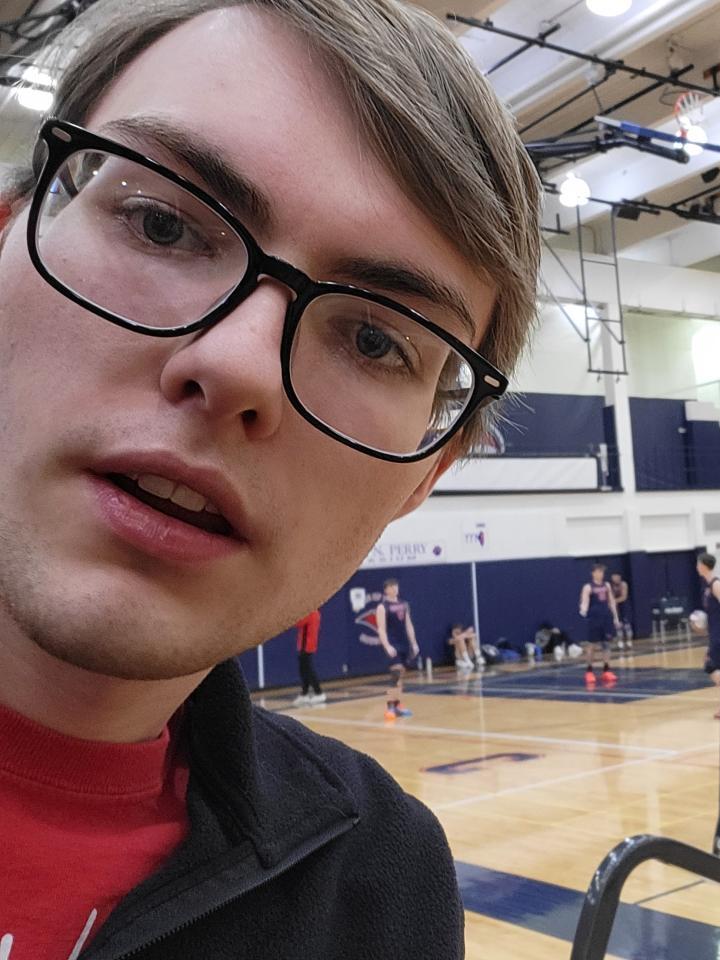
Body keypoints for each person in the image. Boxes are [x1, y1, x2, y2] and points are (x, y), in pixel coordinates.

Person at [0, 0, 540, 953]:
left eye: (373, 340)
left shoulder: (381, 892)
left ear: (425, 476)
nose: (240, 364)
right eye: (162, 224)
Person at [377, 579, 420, 719]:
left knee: (400, 675)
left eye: (395, 586)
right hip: (392, 643)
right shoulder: (382, 607)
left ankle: (397, 705)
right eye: (391, 587)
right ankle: (390, 707)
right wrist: (387, 646)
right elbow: (381, 629)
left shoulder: (404, 604)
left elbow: (409, 625)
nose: (394, 588)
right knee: (395, 673)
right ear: (386, 590)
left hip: (404, 643)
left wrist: (414, 643)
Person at [579, 563, 620, 687]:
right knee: (591, 645)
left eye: (602, 572)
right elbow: (584, 602)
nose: (601, 574)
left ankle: (606, 670)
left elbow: (611, 602)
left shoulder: (607, 585)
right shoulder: (588, 587)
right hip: (594, 619)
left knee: (606, 644)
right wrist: (583, 610)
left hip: (606, 618)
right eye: (598, 571)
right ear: (593, 573)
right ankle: (589, 671)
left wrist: (615, 618)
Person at [698, 552, 720, 686]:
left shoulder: (716, 584)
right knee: (712, 666)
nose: (697, 567)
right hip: (713, 632)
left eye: (698, 564)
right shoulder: (707, 586)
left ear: (703, 565)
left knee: (711, 666)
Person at [294, 609, 324, 705]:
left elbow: (298, 623)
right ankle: (305, 693)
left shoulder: (310, 613)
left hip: (306, 645)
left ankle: (319, 692)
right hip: (308, 644)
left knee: (307, 670)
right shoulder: (315, 613)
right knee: (304, 669)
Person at [610, 572, 633, 649]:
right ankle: (620, 641)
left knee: (627, 625)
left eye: (616, 577)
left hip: (625, 607)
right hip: (616, 608)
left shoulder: (623, 584)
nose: (614, 579)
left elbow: (624, 597)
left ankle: (629, 641)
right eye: (613, 577)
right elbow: (610, 596)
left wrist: (614, 601)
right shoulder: (611, 586)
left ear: (619, 577)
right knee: (618, 625)